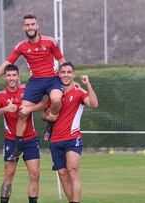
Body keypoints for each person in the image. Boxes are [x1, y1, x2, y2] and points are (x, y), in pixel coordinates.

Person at [0, 13, 66, 160]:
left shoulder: (50, 42)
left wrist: (68, 80)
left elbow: (62, 60)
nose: (30, 27)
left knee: (56, 99)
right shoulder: (21, 46)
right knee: (22, 111)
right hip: (35, 81)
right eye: (27, 25)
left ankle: (51, 121)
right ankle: (18, 147)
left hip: (52, 79)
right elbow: (7, 64)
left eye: (32, 24)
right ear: (24, 28)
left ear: (37, 26)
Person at [43, 62, 98, 203]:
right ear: (59, 74)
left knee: (72, 171)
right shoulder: (54, 94)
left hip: (73, 138)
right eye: (63, 72)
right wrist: (47, 117)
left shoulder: (79, 91)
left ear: (73, 74)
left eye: (69, 72)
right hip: (55, 140)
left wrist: (88, 85)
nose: (66, 75)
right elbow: (45, 114)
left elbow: (94, 104)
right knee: (62, 174)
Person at [0, 64, 44, 203]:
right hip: (11, 139)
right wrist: (5, 109)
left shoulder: (27, 90)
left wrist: (30, 109)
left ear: (18, 76)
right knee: (9, 174)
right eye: (9, 75)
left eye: (14, 75)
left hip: (30, 139)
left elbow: (44, 103)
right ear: (4, 77)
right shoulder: (0, 95)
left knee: (35, 174)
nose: (12, 78)